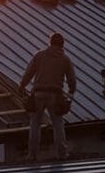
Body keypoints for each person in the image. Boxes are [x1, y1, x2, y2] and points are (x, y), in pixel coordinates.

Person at [19, 33, 77, 161]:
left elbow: (29, 73)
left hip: (38, 93)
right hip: (55, 95)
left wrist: (22, 86)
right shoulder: (65, 59)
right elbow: (72, 80)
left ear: (49, 42)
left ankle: (32, 155)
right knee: (57, 124)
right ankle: (62, 154)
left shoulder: (39, 55)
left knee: (35, 124)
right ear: (62, 44)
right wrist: (71, 92)